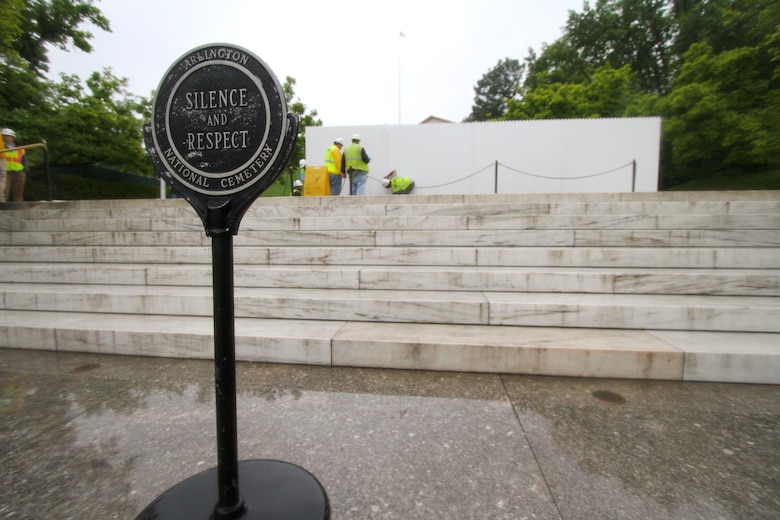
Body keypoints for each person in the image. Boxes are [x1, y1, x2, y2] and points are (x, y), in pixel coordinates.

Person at [2, 129, 26, 202]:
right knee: (4, 192)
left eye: (8, 136)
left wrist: (24, 170)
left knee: (18, 193)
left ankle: (19, 208)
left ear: (12, 137)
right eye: (4, 136)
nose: (5, 138)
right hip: (6, 172)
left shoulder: (19, 148)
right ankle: (3, 209)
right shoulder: (1, 148)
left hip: (18, 172)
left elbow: (24, 160)